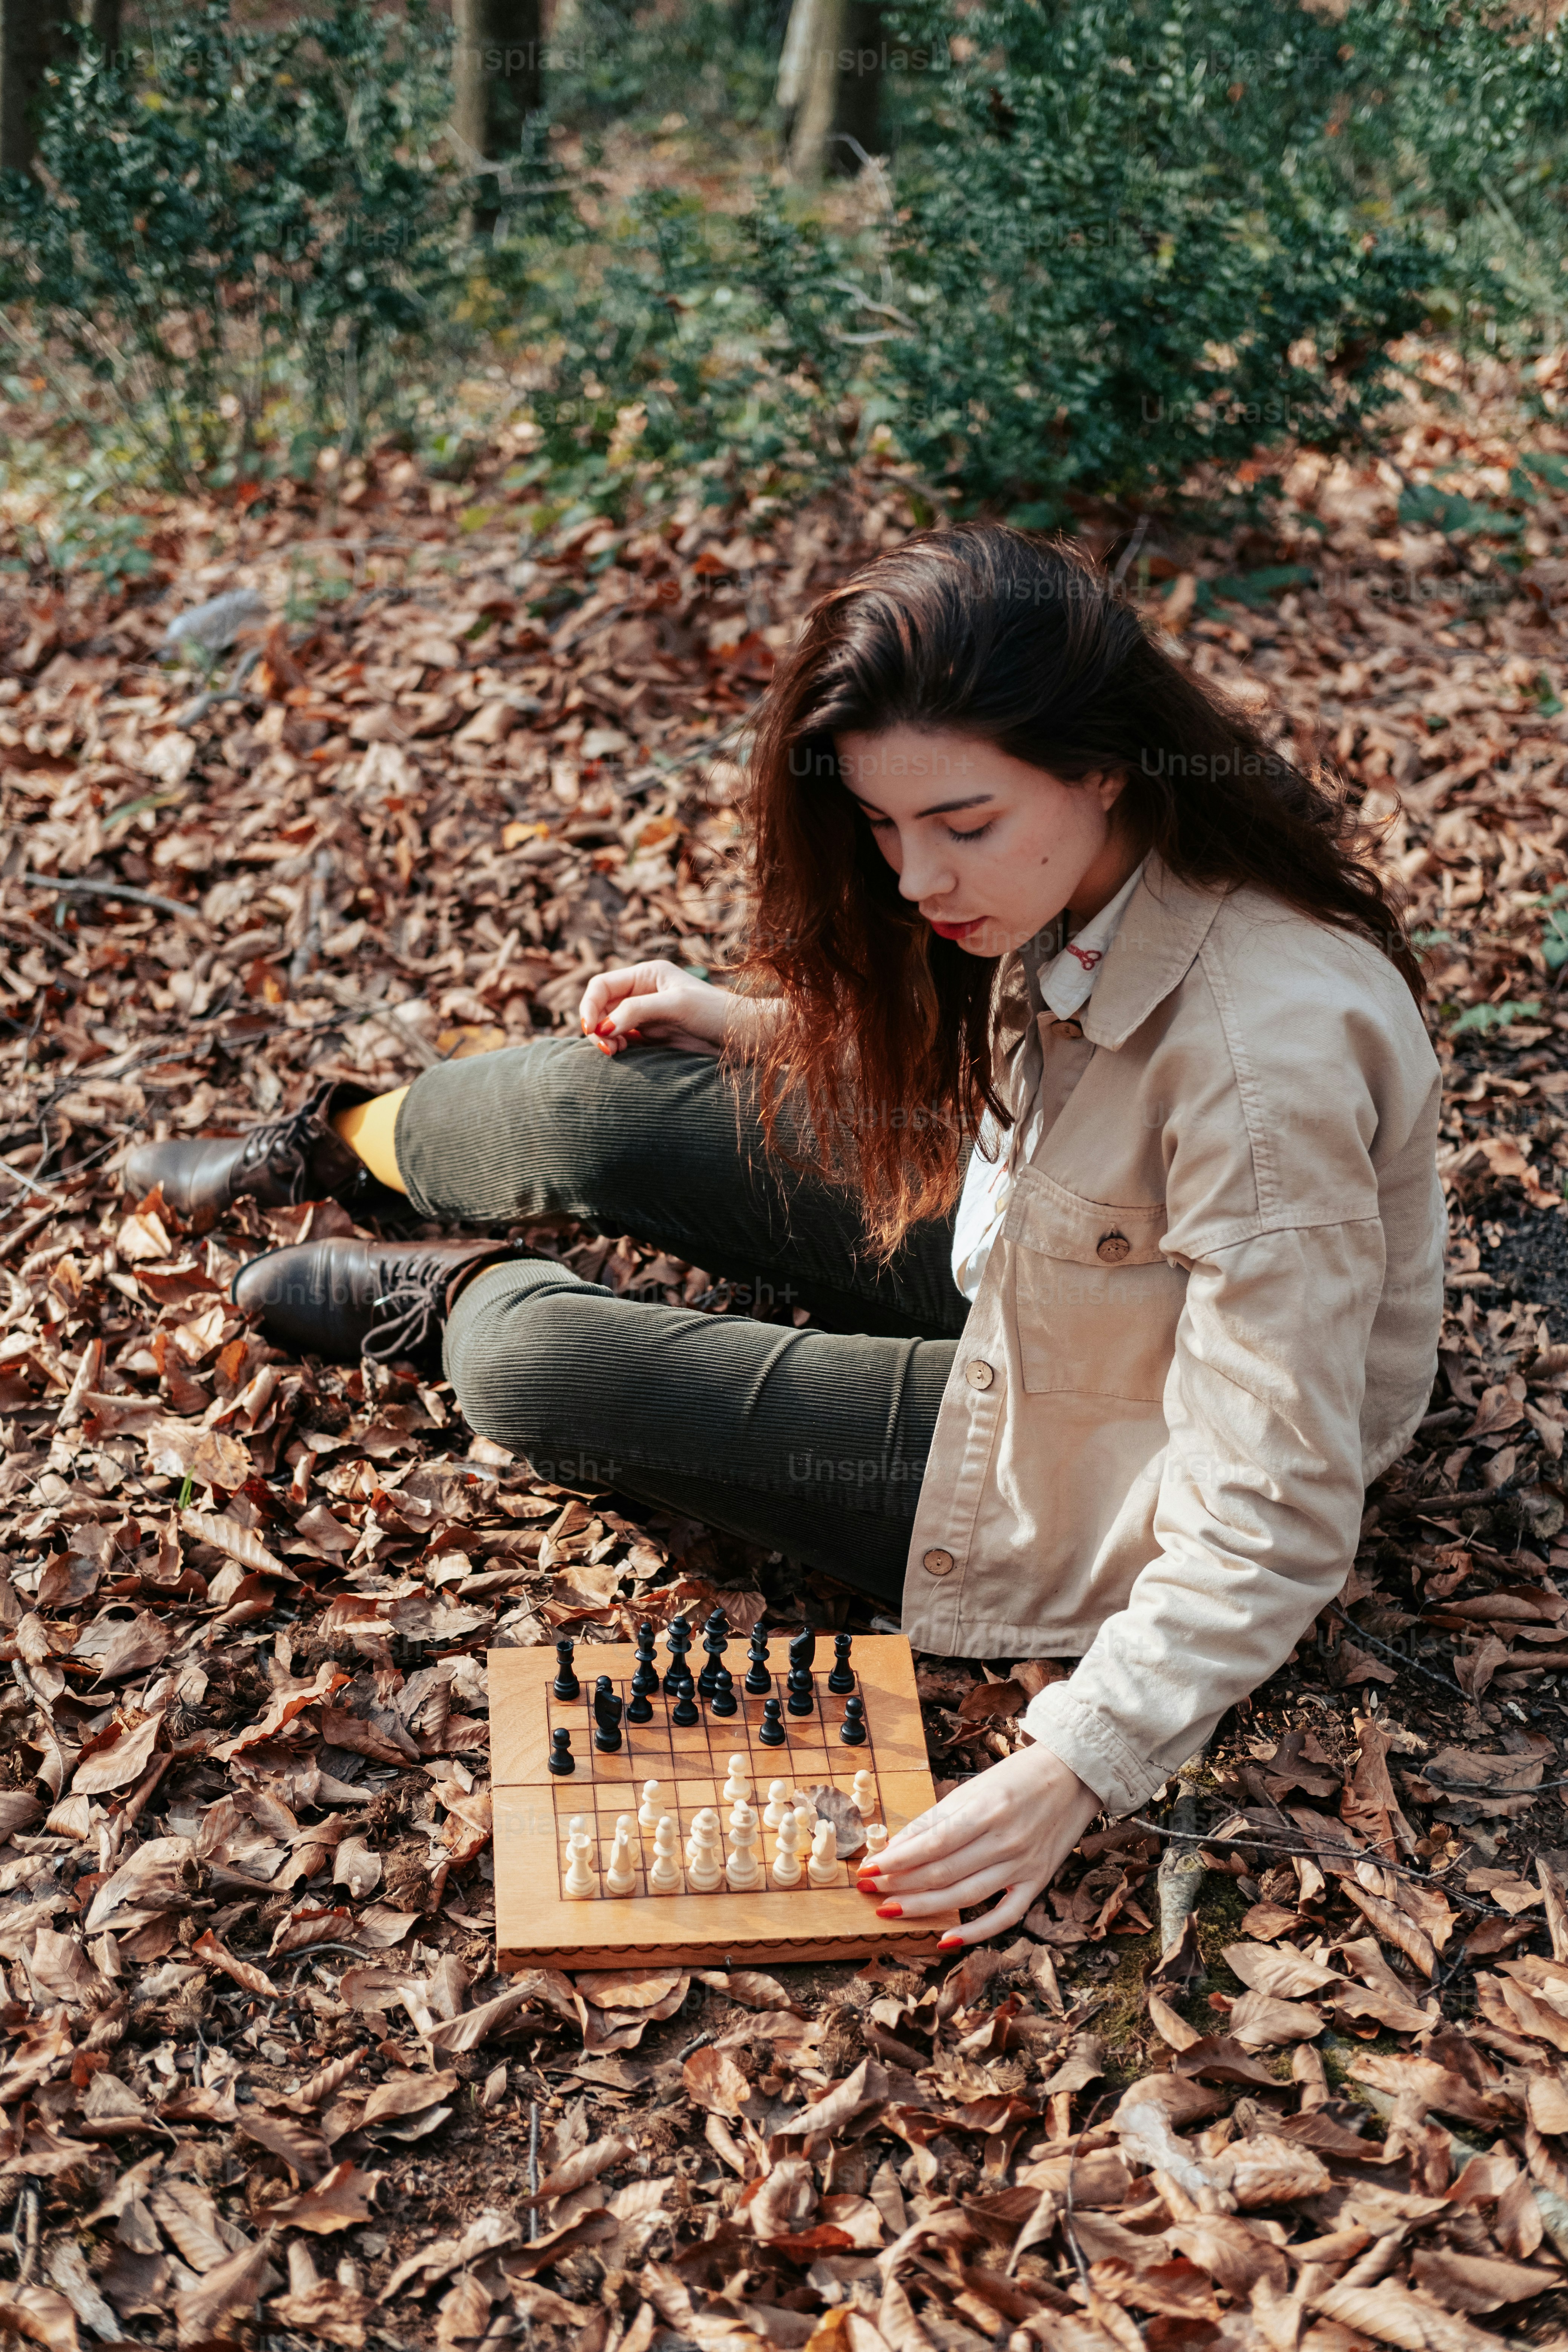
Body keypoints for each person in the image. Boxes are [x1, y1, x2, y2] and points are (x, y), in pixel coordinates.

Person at [126, 527, 1444, 1950]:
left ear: (1104, 762)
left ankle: (462, 1296)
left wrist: (1080, 1764)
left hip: (1119, 1426)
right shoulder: (1084, 873)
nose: (915, 880)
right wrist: (746, 1025)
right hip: (1054, 1239)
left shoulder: (1266, 1068)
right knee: (593, 1097)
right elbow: (1039, 1099)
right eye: (883, 828)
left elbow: (1278, 1499)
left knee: (545, 1374)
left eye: (961, 825)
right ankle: (346, 1140)